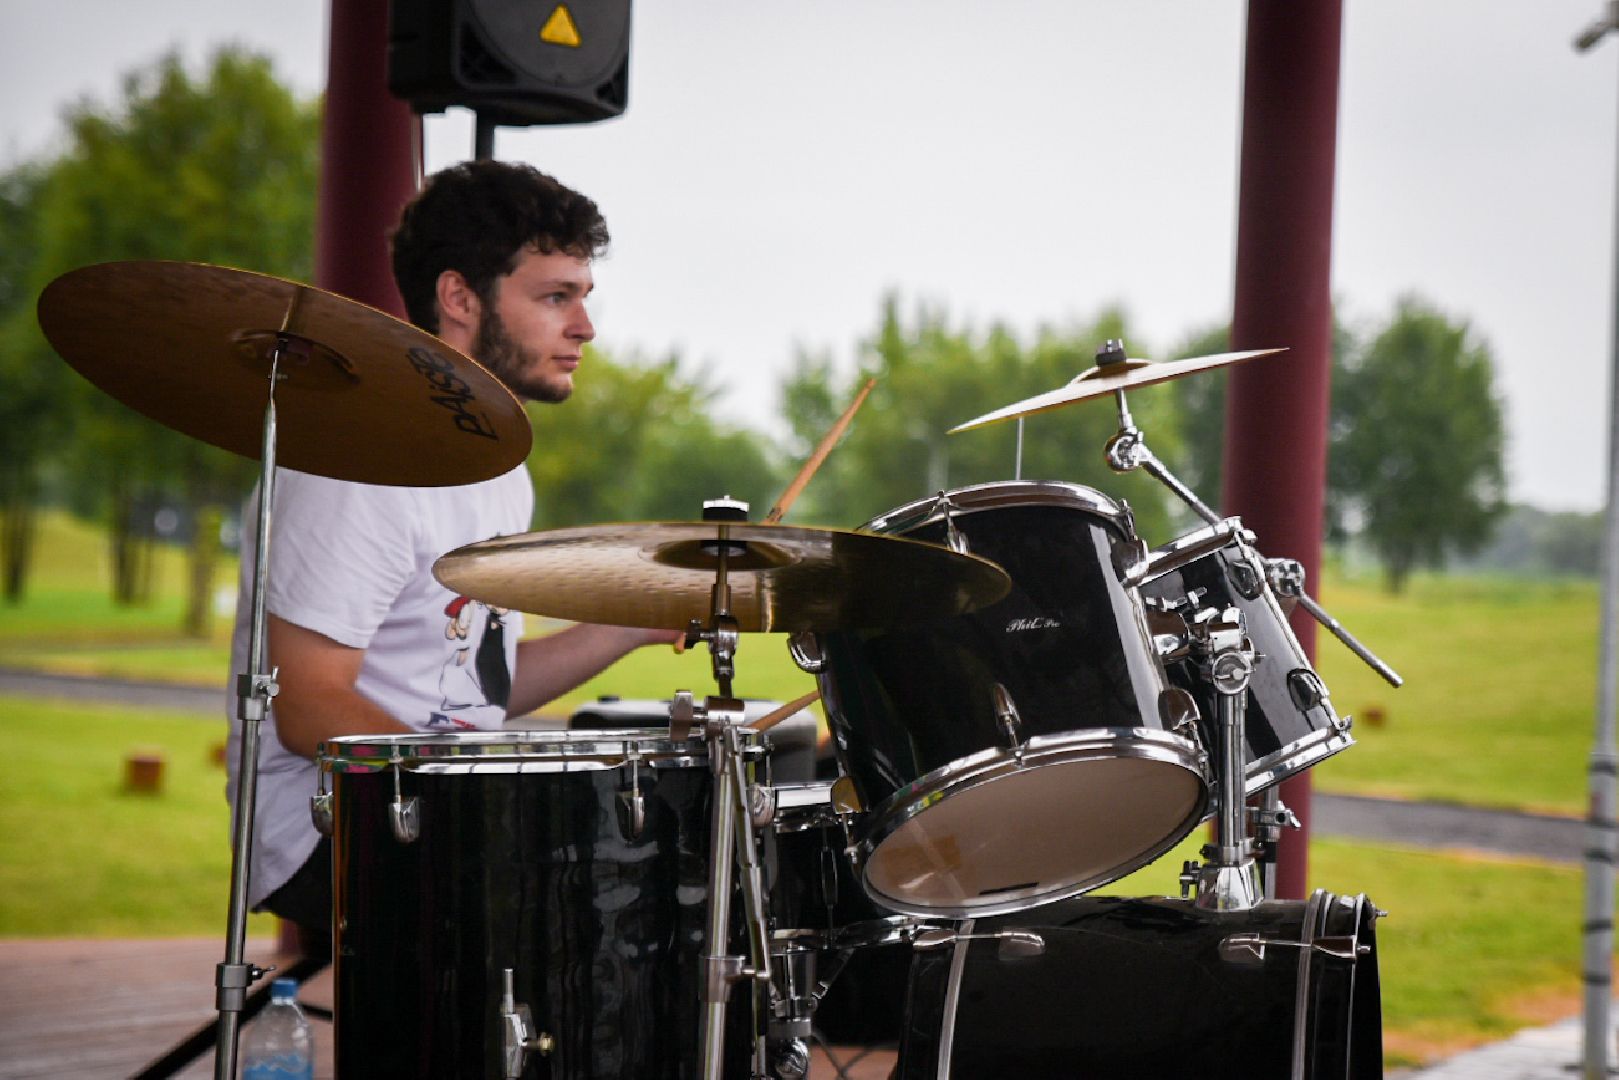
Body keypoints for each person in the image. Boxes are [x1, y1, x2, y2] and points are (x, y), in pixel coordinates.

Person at [224, 160, 674, 948]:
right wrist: (495, 804)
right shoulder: (357, 463)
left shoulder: (500, 465)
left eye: (582, 298)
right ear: (460, 297)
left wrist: (636, 620)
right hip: (326, 826)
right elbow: (307, 710)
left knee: (676, 854)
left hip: (436, 799)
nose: (584, 328)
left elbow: (476, 686)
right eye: (554, 297)